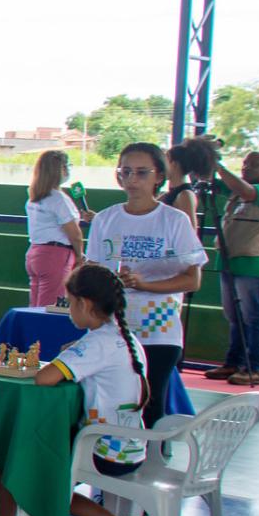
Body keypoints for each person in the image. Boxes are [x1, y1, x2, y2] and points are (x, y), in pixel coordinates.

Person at [0, 264, 156, 516]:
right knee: (33, 467)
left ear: (85, 304)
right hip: (131, 448)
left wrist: (70, 355)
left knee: (19, 466)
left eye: (69, 301)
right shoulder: (124, 337)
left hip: (102, 451)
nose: (67, 310)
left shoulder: (97, 342)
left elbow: (45, 378)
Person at [85, 142, 205, 427]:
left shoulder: (174, 221)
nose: (132, 180)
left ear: (159, 177)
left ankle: (151, 459)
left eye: (141, 172)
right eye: (125, 172)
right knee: (110, 404)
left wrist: (144, 284)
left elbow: (193, 279)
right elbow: (92, 272)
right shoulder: (105, 219)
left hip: (158, 332)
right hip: (113, 329)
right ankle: (108, 462)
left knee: (150, 405)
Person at [206, 150, 259, 386]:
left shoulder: (258, 193)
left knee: (254, 317)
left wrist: (218, 166)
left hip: (252, 264)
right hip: (229, 261)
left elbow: (245, 190)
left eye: (254, 165)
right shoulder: (236, 193)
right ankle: (233, 362)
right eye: (244, 164)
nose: (246, 168)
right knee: (234, 317)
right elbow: (215, 184)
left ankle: (255, 366)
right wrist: (205, 165)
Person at [24, 149, 88, 306]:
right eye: (67, 166)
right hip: (56, 255)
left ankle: (34, 331)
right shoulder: (58, 198)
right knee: (50, 306)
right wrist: (80, 256)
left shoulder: (34, 197)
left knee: (36, 305)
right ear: (61, 169)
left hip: (35, 253)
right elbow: (75, 234)